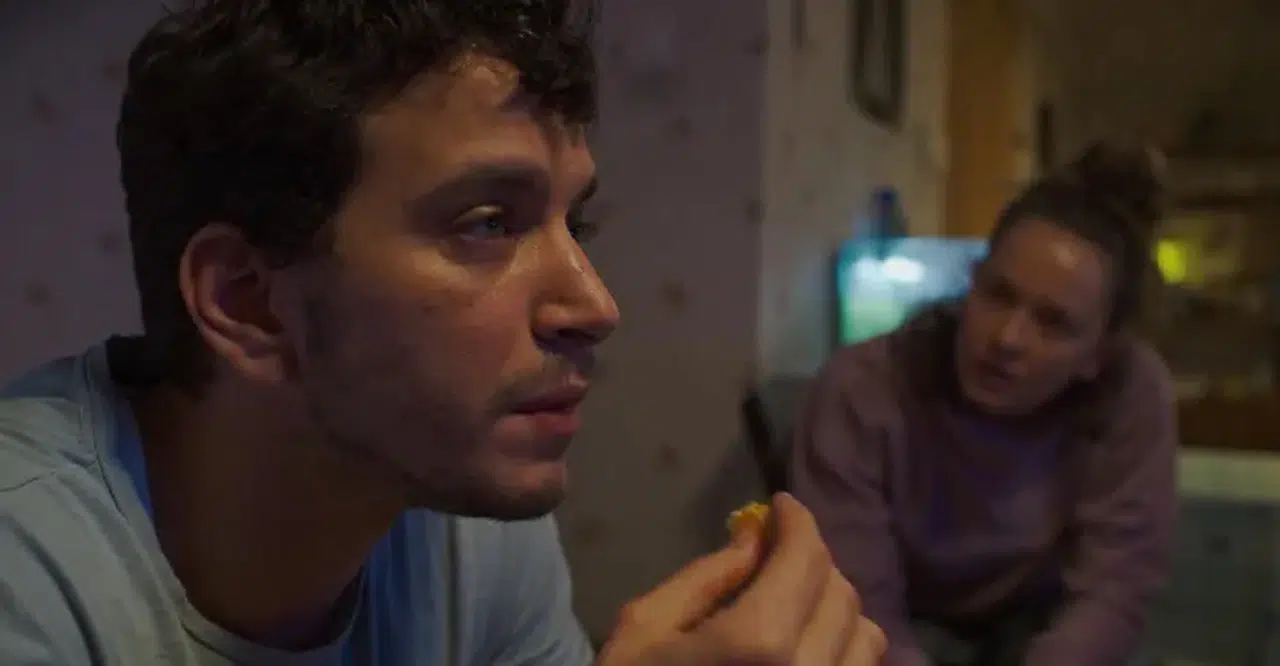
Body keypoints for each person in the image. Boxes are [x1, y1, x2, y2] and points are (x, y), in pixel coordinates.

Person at [0, 1, 887, 665]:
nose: (595, 305)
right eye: (489, 223)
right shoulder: (25, 572)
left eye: (576, 224)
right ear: (248, 302)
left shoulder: (462, 507)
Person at [791, 142, 1178, 666]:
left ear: (1097, 355)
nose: (1008, 339)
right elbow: (857, 597)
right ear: (971, 282)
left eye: (1053, 323)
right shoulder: (862, 389)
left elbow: (1117, 586)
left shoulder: (1132, 390)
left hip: (1040, 627)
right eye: (998, 295)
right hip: (900, 628)